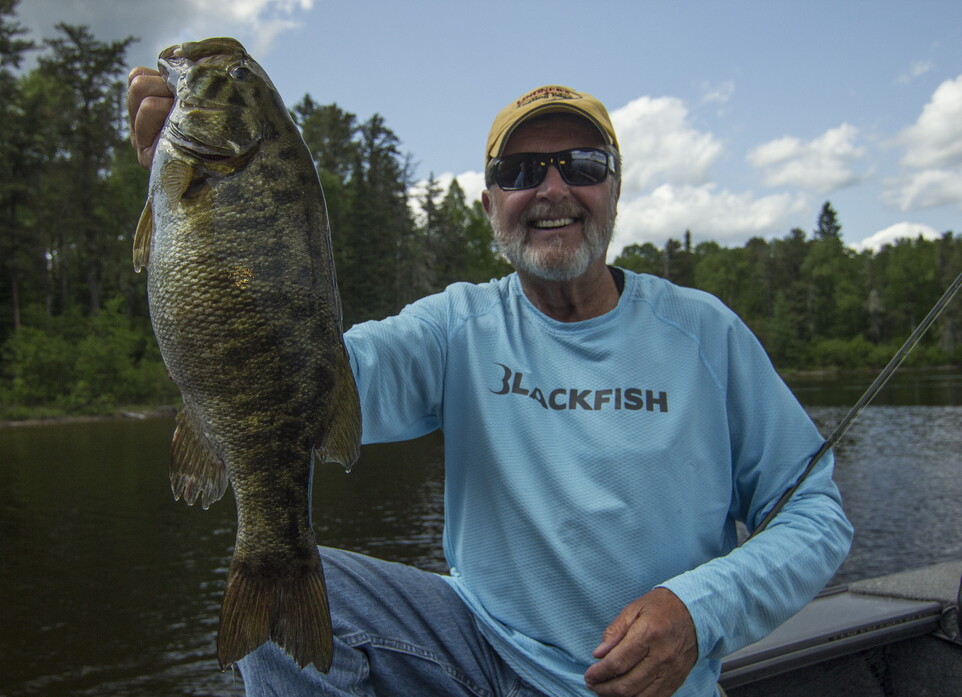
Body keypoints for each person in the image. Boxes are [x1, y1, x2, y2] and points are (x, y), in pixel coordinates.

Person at [127, 70, 853, 697]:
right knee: (282, 598)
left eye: (582, 164)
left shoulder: (706, 334)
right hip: (479, 655)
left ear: (615, 189)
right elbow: (303, 377)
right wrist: (204, 214)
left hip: (644, 688)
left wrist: (699, 608)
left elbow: (815, 513)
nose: (552, 189)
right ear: (488, 205)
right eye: (520, 171)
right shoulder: (457, 327)